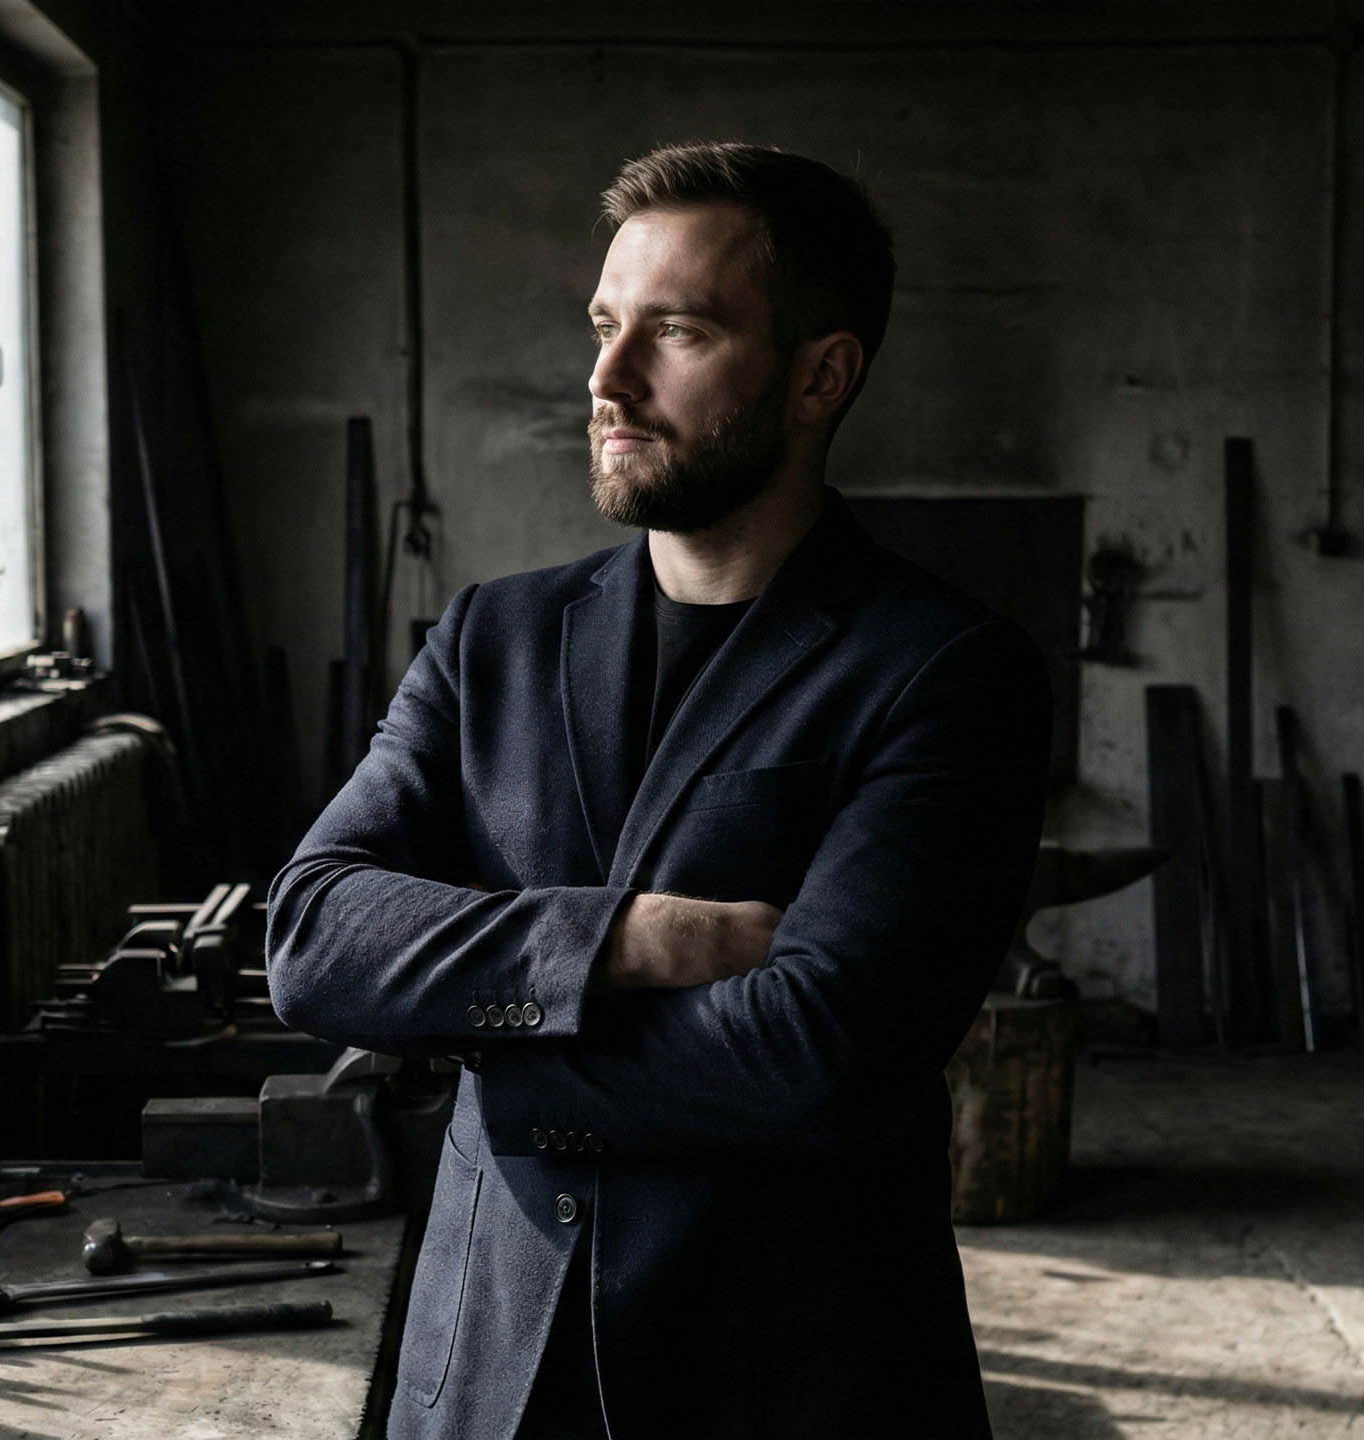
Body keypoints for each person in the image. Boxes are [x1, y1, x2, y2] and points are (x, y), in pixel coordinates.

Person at [266, 141, 1051, 1439]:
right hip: (484, 1378)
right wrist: (628, 941)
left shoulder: (947, 671)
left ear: (820, 375)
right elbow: (311, 939)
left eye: (675, 330)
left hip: (783, 1380)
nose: (607, 379)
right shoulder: (492, 641)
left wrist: (483, 1064)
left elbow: (819, 1061)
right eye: (603, 325)